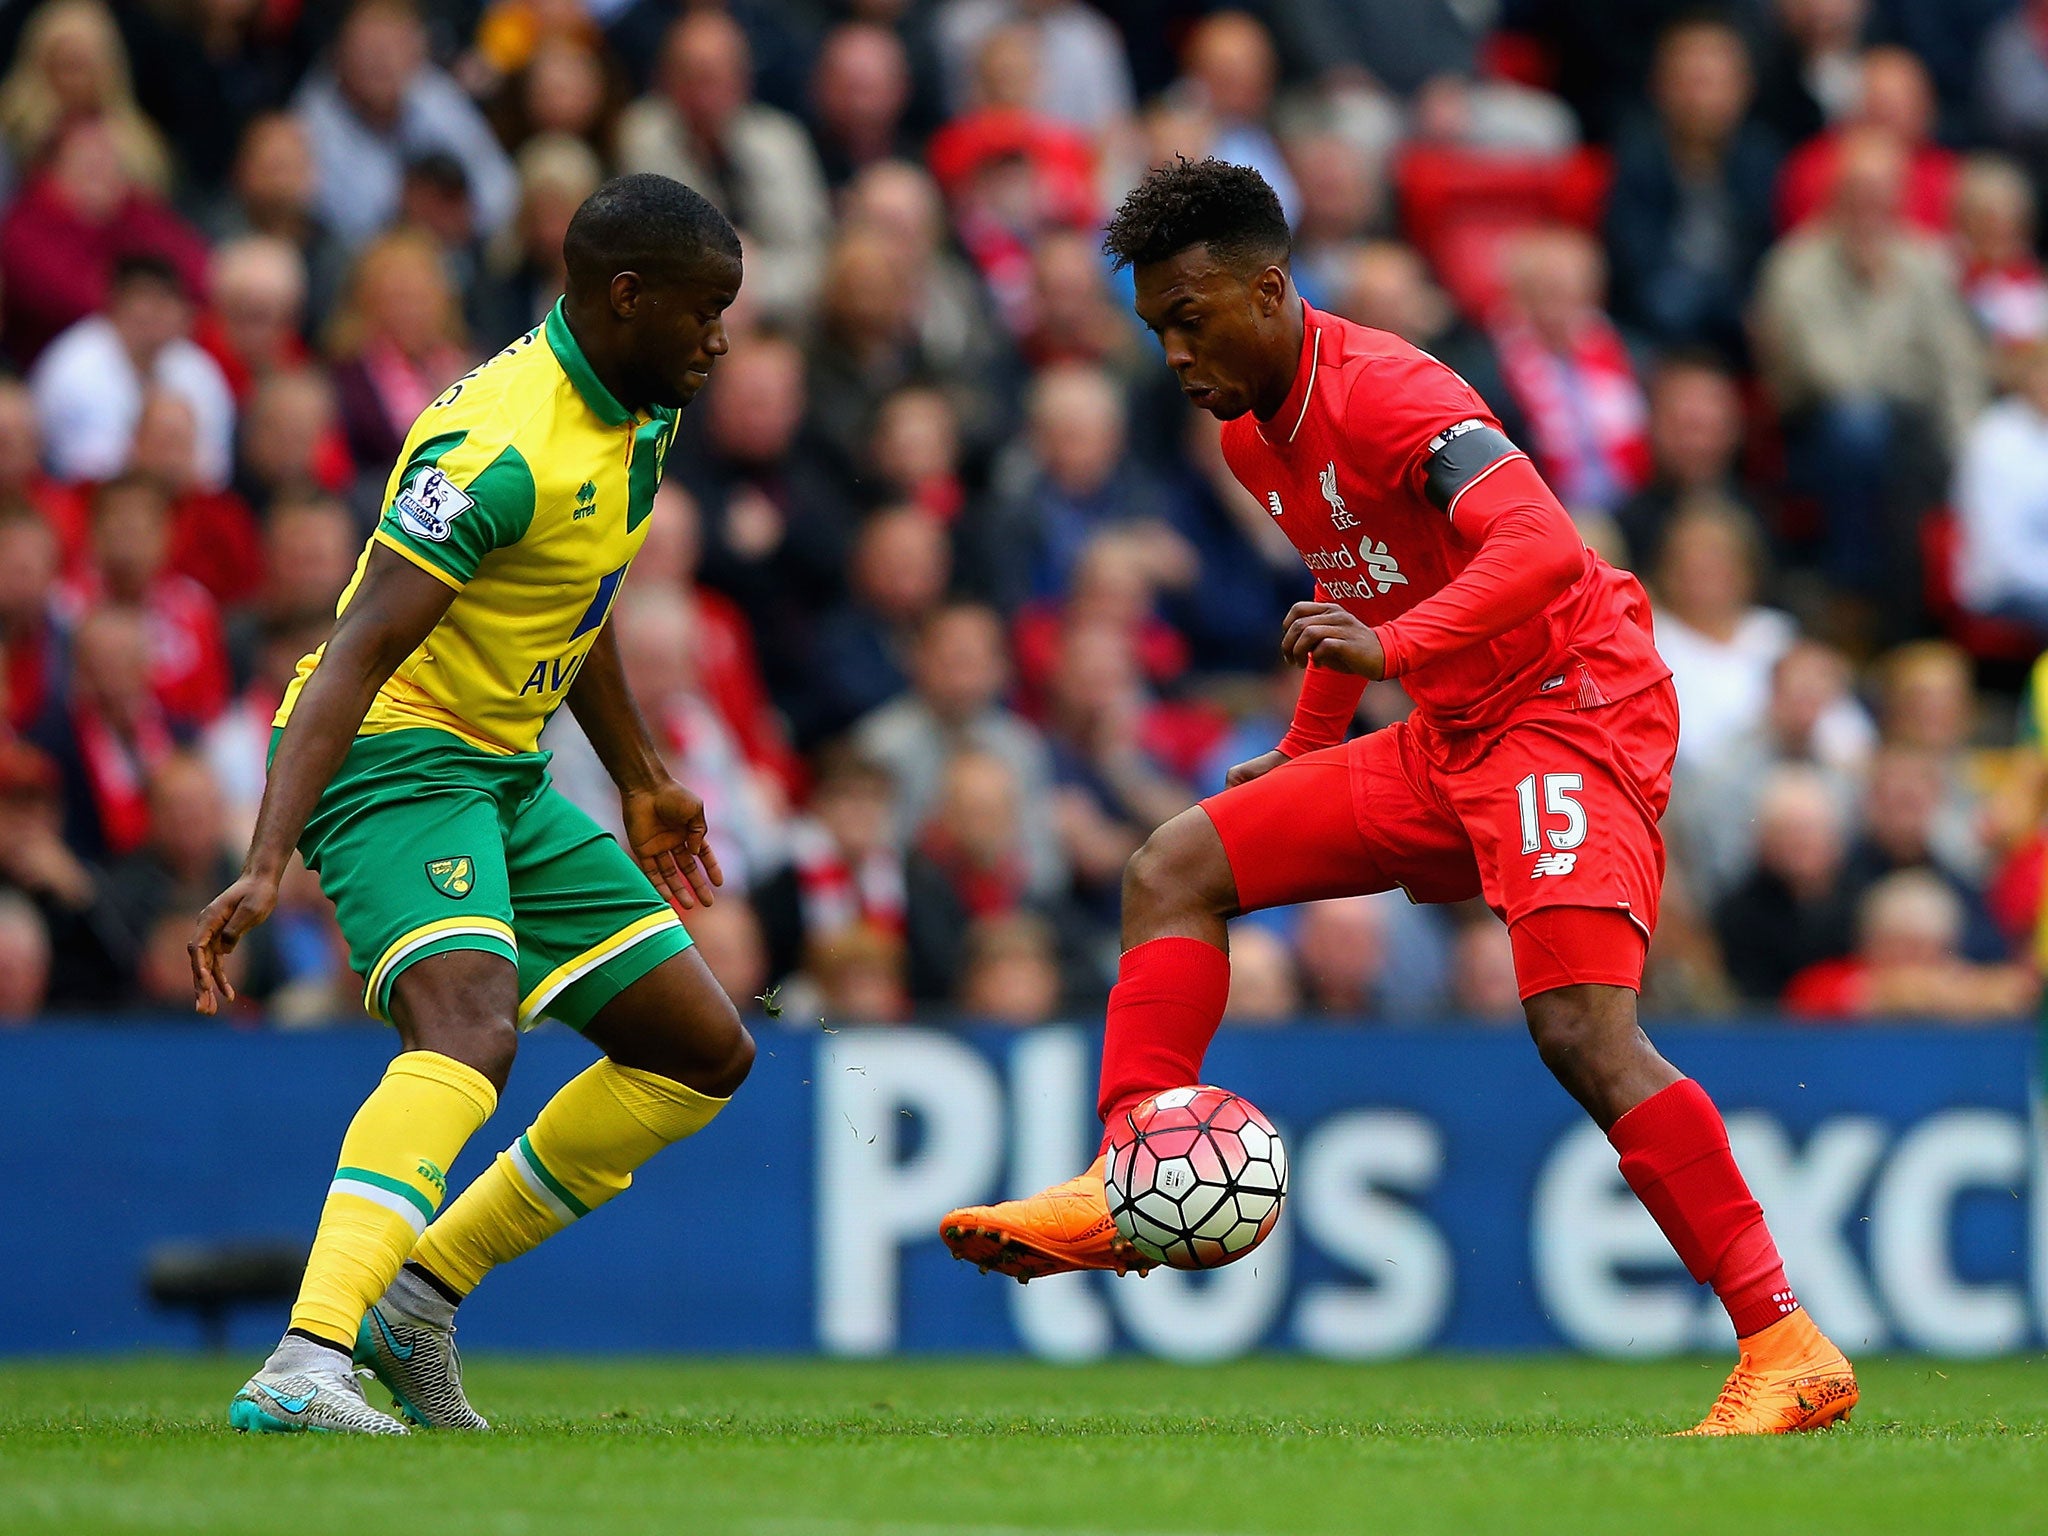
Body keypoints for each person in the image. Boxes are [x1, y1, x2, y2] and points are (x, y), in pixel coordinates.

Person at [939, 157, 1856, 1436]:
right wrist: (1312, 742)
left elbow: (1537, 541)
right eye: (1155, 329)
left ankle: (1784, 1343)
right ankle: (1128, 1169)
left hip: (1564, 709)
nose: (1173, 353)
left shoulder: (1387, 392)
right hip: (1451, 723)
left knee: (1581, 1030)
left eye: (1190, 318)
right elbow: (1348, 588)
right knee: (1173, 866)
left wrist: (1400, 658)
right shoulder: (1251, 435)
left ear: (1269, 291)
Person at [189, 174, 754, 1435]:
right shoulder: (497, 446)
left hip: (500, 767)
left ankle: (420, 1299)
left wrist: (642, 777)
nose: (722, 338)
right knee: (467, 1029)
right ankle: (306, 1358)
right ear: (626, 297)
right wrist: (268, 858)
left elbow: (574, 587)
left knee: (699, 1052)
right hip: (390, 757)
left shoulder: (640, 412)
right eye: (706, 311)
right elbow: (351, 653)